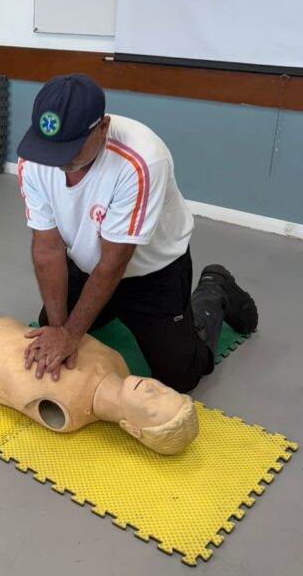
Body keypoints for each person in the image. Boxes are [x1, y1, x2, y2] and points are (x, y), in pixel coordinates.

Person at [17, 73, 258, 394]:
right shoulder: (36, 157)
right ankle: (106, 311)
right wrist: (61, 330)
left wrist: (72, 335)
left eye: (71, 149)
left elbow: (114, 262)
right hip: (87, 264)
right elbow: (47, 249)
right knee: (50, 326)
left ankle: (215, 291)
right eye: (52, 149)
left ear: (102, 127)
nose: (59, 161)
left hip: (150, 273)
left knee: (180, 377)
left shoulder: (142, 159)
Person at [0, 317, 198, 455]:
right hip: (5, 328)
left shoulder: (70, 411)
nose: (151, 389)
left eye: (152, 408)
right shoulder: (118, 363)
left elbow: (11, 388)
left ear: (134, 429)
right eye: (166, 391)